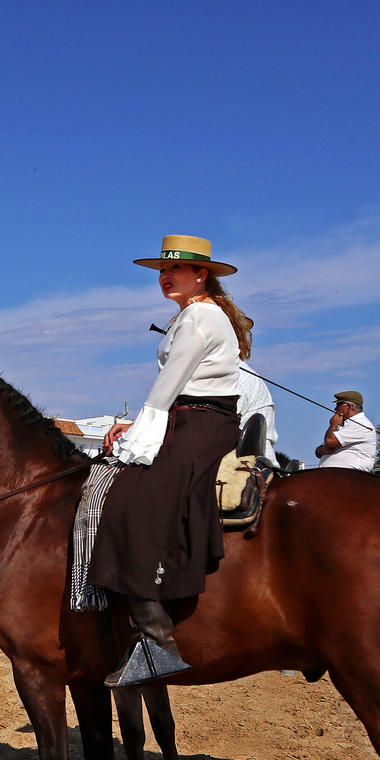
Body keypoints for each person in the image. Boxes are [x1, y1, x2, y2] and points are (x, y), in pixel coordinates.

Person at [94, 233, 252, 687]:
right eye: (162, 271)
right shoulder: (192, 314)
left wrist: (139, 431)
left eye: (174, 270)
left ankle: (156, 642)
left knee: (131, 502)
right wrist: (136, 424)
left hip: (199, 424)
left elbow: (169, 386)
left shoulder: (200, 316)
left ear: (201, 273)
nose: (164, 277)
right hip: (187, 420)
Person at [314, 391, 377, 471]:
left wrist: (333, 424)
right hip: (333, 474)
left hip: (350, 475)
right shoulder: (345, 425)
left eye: (338, 405)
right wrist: (321, 450)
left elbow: (330, 441)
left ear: (349, 407)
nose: (335, 409)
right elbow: (319, 452)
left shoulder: (361, 424)